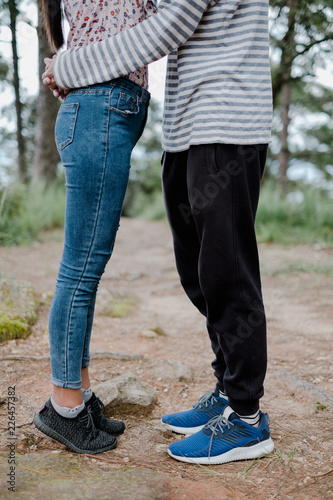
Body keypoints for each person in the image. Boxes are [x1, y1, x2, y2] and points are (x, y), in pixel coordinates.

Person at [43, 0, 275, 464]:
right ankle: (228, 390)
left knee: (226, 272)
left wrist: (69, 64)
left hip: (223, 115)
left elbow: (171, 23)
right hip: (189, 123)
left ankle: (247, 419)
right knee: (200, 272)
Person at [33, 0, 156, 454]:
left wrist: (63, 66)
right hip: (101, 109)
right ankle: (63, 406)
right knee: (81, 269)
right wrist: (63, 67)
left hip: (104, 108)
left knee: (87, 267)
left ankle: (78, 395)